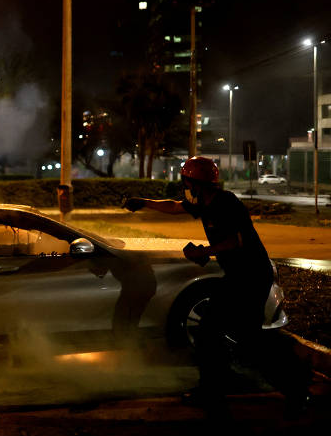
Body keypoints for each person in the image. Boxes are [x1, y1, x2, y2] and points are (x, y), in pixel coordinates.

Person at [123, 156, 311, 418]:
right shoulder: (204, 203)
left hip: (252, 277)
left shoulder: (225, 203)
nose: (185, 187)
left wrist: (204, 252)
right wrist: (143, 203)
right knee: (213, 331)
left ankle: (296, 388)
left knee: (243, 338)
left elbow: (236, 241)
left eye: (187, 181)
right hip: (237, 277)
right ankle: (213, 391)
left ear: (196, 182)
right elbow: (176, 207)